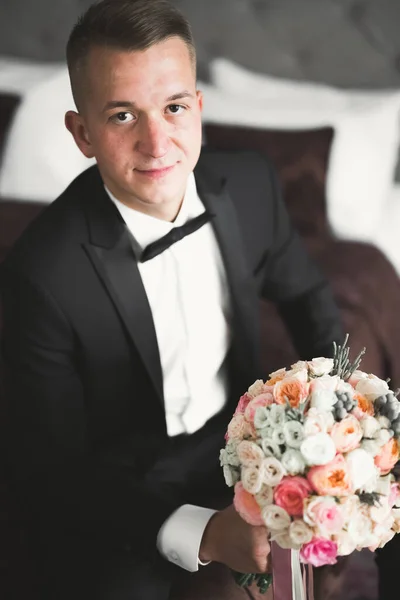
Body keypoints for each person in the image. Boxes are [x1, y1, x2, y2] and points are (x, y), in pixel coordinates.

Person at [0, 1, 344, 598]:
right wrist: (208, 534)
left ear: (200, 110)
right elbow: (55, 472)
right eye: (122, 116)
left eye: (174, 107)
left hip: (242, 443)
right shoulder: (38, 276)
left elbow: (310, 298)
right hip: (119, 489)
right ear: (83, 134)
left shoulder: (254, 185)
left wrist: (336, 412)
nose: (157, 142)